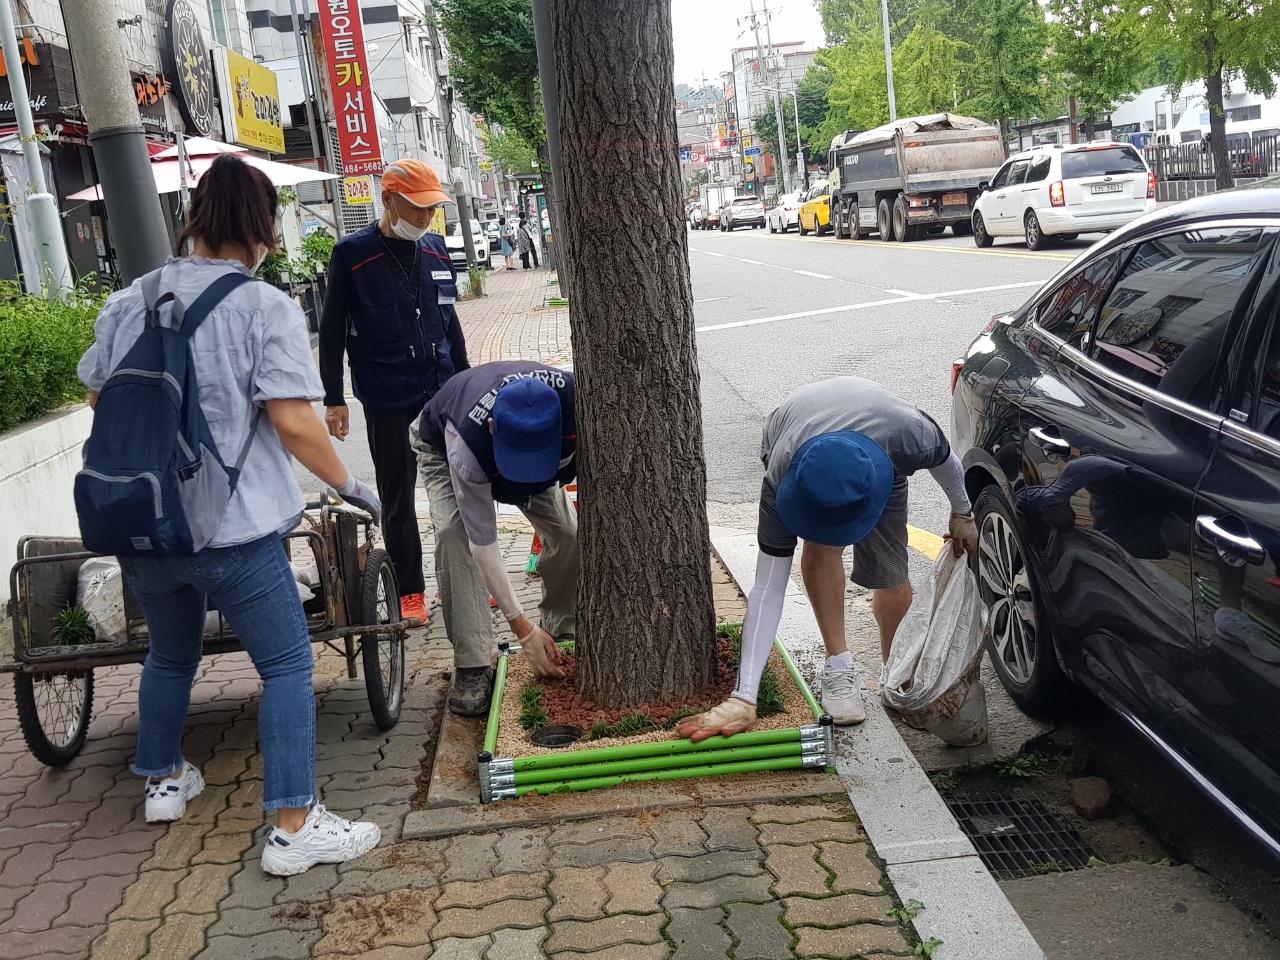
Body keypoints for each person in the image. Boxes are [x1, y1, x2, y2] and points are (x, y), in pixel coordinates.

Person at [77, 154, 383, 874]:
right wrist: (350, 485)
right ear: (260, 226)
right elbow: (294, 423)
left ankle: (163, 780)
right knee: (284, 664)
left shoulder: (129, 301)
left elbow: (99, 401)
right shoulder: (261, 306)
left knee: (170, 654)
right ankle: (293, 827)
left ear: (195, 221)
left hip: (141, 524)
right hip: (230, 529)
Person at [677, 377, 979, 741]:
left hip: (877, 452)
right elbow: (768, 590)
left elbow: (947, 464)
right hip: (797, 442)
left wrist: (963, 513)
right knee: (821, 548)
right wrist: (744, 696)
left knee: (890, 572)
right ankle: (839, 665)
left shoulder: (910, 434)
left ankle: (898, 673)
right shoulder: (781, 479)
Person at [319, 159, 470, 627]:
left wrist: (466, 381)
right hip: (387, 394)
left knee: (463, 488)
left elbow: (451, 323)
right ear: (388, 199)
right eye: (416, 208)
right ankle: (411, 591)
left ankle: (464, 581)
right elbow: (331, 332)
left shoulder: (437, 250)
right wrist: (333, 396)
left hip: (442, 390)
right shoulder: (353, 255)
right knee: (399, 497)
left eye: (431, 210)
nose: (425, 219)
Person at [412, 361, 577, 715]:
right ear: (492, 427)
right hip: (441, 444)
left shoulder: (582, 406)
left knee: (571, 533)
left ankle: (562, 631)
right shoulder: (467, 446)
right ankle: (472, 666)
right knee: (454, 539)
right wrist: (521, 627)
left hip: (538, 455)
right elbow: (482, 544)